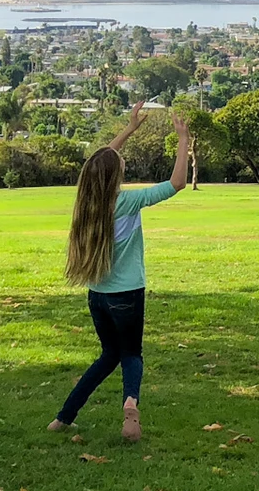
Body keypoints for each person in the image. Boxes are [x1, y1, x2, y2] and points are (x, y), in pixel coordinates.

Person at [49, 104, 189, 444]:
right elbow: (177, 183)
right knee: (131, 354)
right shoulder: (126, 203)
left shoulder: (87, 206)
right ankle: (131, 405)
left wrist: (129, 130)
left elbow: (102, 160)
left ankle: (63, 417)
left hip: (98, 296)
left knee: (109, 354)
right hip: (128, 294)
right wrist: (183, 139)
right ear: (115, 176)